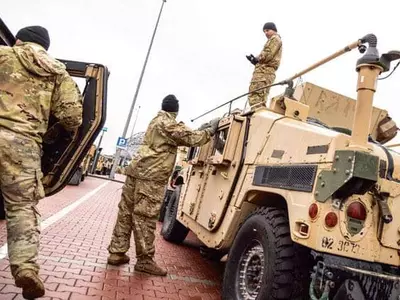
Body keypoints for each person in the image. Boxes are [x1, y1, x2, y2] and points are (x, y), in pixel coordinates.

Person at [0, 26, 83, 299]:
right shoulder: (59, 72)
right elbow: (73, 118)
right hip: (24, 146)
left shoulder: (4, 55)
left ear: (19, 40)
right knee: (21, 208)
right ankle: (25, 268)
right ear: (45, 47)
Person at [107, 94, 219, 276]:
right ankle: (144, 261)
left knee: (126, 213)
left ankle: (117, 252)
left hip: (136, 172)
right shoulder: (168, 122)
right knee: (145, 216)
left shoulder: (156, 120)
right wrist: (209, 131)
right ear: (175, 110)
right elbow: (192, 138)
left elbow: (181, 134)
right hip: (151, 177)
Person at [246, 22, 282, 110]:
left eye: (267, 30)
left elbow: (268, 54)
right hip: (263, 71)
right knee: (257, 97)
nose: (265, 33)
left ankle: (258, 117)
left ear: (273, 30)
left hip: (264, 72)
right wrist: (255, 60)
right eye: (264, 31)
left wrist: (257, 59)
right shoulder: (273, 40)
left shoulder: (275, 39)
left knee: (257, 96)